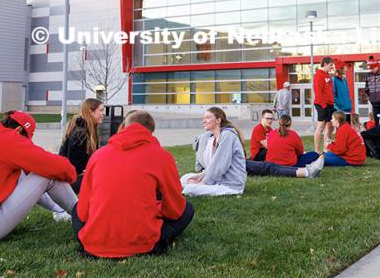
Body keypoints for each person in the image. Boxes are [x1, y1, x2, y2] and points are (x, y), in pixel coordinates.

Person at [72, 110, 193, 258]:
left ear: (124, 126)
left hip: (94, 243)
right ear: (151, 132)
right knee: (187, 209)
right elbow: (175, 209)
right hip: (142, 243)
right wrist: (155, 208)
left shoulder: (98, 155)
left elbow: (83, 212)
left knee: (76, 208)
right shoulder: (162, 156)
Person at [0, 111, 77, 241]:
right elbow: (60, 167)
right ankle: (84, 218)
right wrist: (75, 177)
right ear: (18, 130)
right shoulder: (9, 139)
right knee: (47, 175)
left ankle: (62, 211)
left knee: (26, 172)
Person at [181, 107, 247, 196]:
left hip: (230, 185)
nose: (204, 121)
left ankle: (189, 187)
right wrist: (201, 175)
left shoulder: (227, 135)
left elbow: (220, 166)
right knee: (185, 178)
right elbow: (212, 165)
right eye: (204, 118)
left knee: (190, 189)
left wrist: (203, 182)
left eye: (208, 117)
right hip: (217, 180)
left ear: (218, 120)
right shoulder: (212, 138)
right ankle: (189, 185)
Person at [59, 98, 104, 193]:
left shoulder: (85, 129)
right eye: (101, 110)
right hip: (70, 181)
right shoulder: (81, 135)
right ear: (91, 112)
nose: (103, 113)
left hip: (73, 179)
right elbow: (75, 167)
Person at [313, 56, 335, 152]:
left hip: (330, 104)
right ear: (325, 64)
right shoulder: (319, 75)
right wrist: (324, 106)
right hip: (322, 104)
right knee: (321, 126)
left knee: (330, 126)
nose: (332, 67)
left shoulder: (327, 75)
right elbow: (318, 92)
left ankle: (326, 149)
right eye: (330, 65)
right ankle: (317, 151)